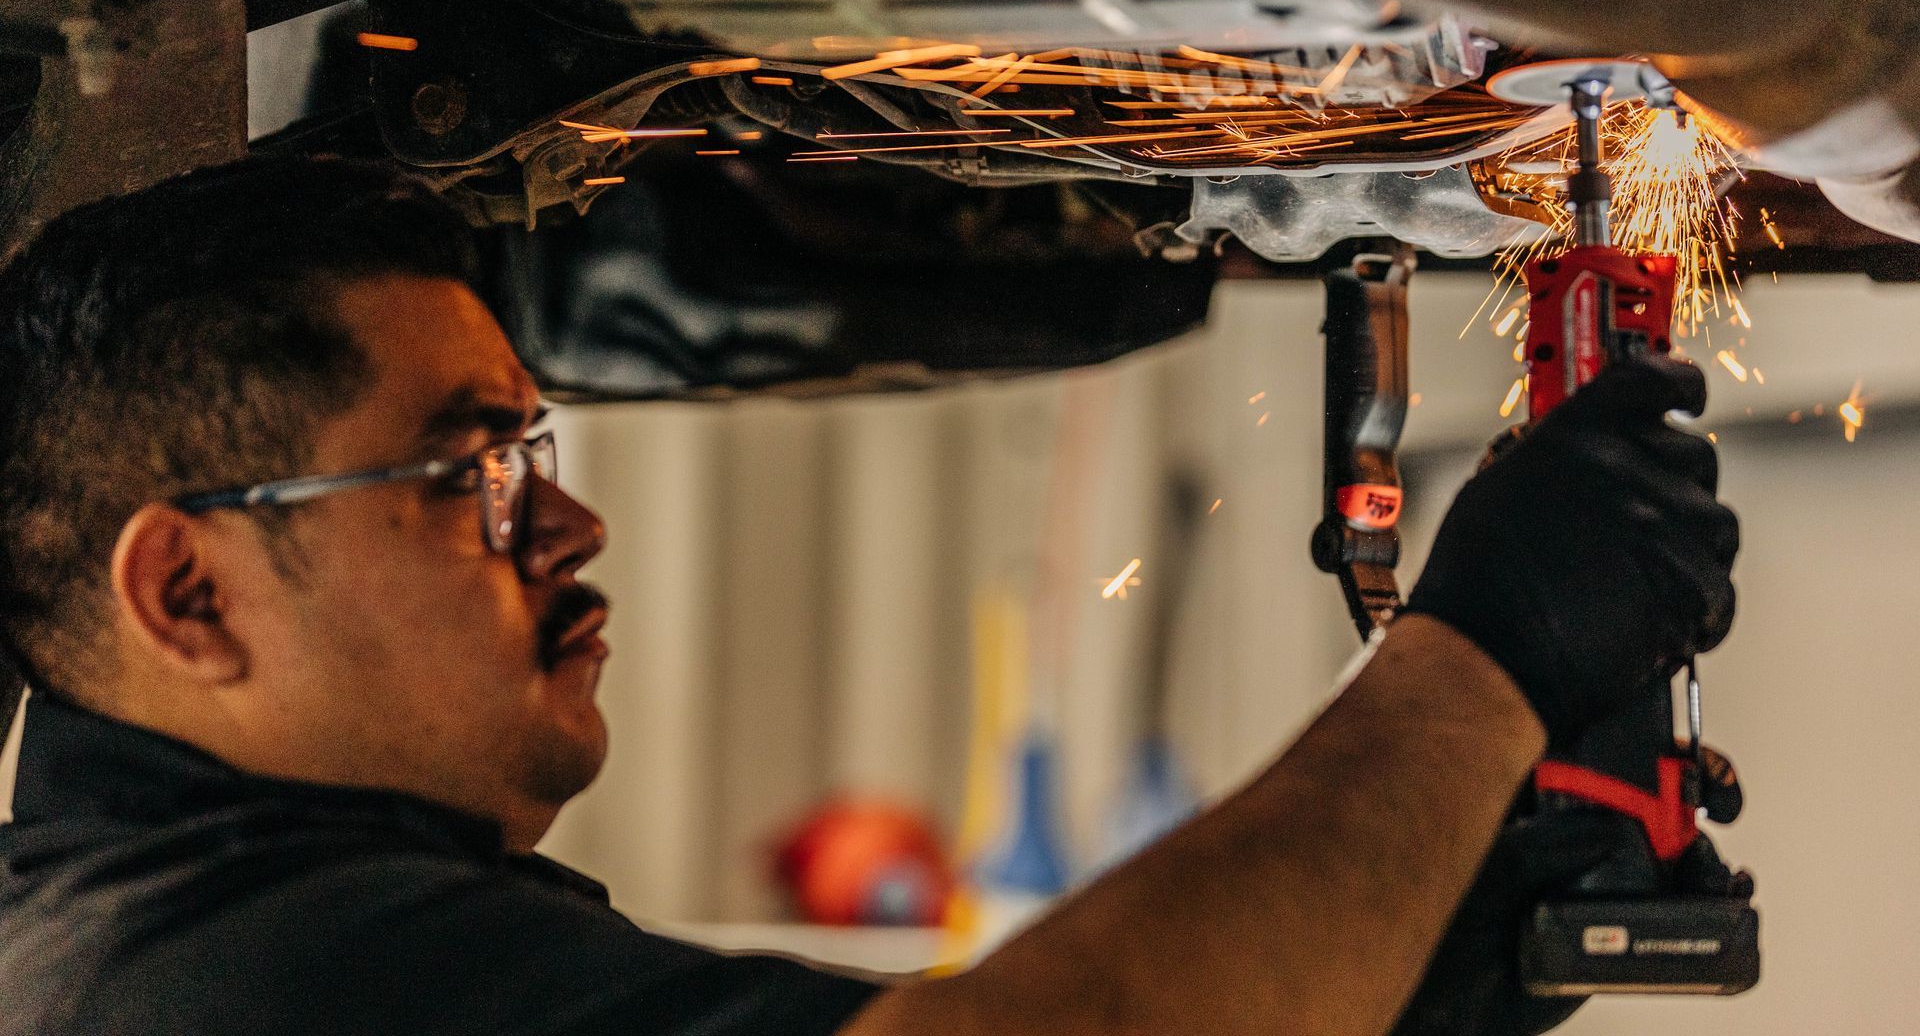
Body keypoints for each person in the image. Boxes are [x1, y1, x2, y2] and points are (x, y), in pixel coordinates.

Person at [0, 156, 1737, 1036]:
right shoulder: (256, 984)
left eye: (539, 448)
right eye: (475, 472)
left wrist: (1415, 972)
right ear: (191, 591)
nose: (573, 524)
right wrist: (1482, 658)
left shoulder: (148, 921)